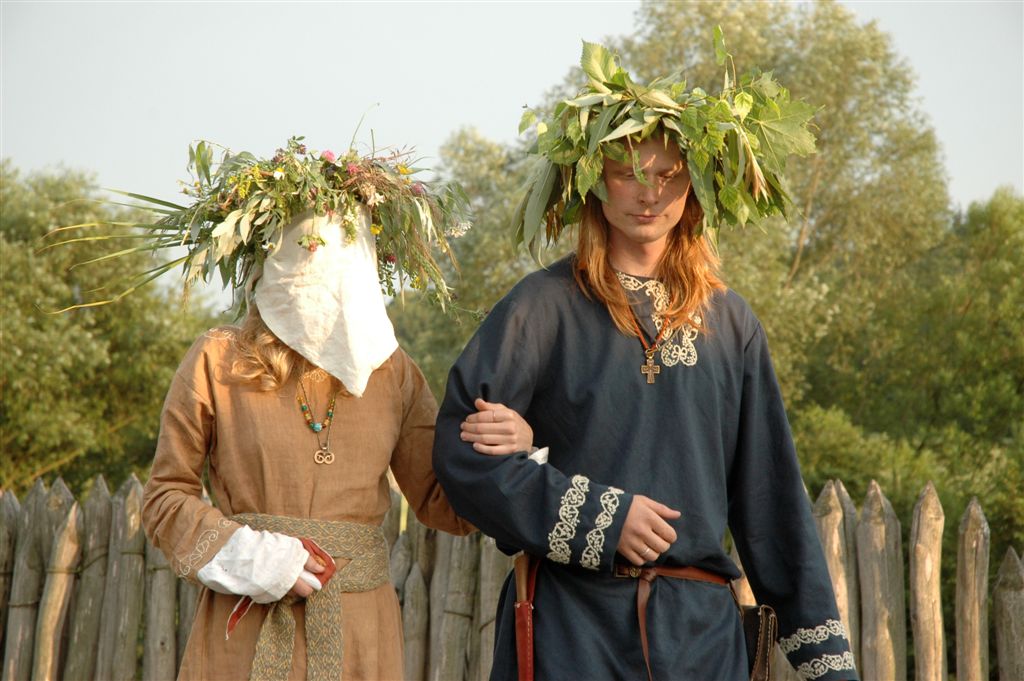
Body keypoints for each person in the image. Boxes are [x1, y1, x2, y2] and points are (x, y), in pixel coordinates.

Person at [433, 42, 858, 681]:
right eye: (628, 171)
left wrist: (830, 668)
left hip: (701, 639)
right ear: (591, 180)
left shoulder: (730, 323)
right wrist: (601, 520)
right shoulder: (542, 307)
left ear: (697, 184)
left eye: (669, 174)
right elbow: (463, 454)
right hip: (571, 634)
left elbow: (771, 504)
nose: (649, 193)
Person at [70, 136, 536, 680]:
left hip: (361, 635)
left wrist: (514, 453)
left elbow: (443, 502)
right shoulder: (217, 360)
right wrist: (258, 559)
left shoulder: (393, 372)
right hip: (245, 630)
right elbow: (165, 499)